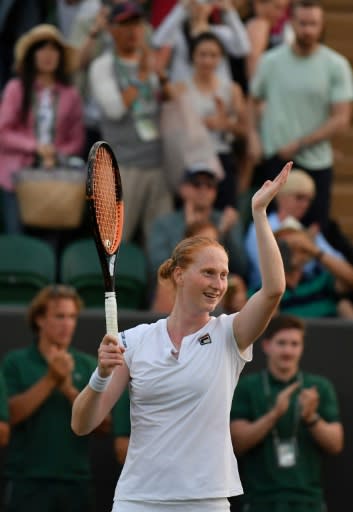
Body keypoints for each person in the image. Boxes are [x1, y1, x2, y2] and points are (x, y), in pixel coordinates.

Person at [71, 161, 293, 512]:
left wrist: (259, 212)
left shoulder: (229, 335)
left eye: (223, 275)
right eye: (208, 273)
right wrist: (100, 375)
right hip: (138, 500)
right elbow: (82, 424)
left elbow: (274, 290)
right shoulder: (134, 340)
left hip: (206, 501)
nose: (218, 284)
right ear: (178, 275)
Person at [0, 285, 111, 512]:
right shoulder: (15, 362)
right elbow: (9, 416)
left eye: (72, 317)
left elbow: (105, 426)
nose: (67, 324)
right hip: (26, 482)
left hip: (76, 483)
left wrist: (69, 390)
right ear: (40, 319)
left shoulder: (89, 364)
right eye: (60, 316)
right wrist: (51, 380)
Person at [248, 0, 353, 231]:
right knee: (273, 233)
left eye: (313, 24)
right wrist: (253, 136)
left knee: (313, 234)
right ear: (291, 23)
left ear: (322, 25)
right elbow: (253, 100)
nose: (307, 30)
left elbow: (341, 118)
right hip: (276, 160)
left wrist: (301, 143)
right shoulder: (271, 61)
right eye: (302, 23)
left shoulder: (336, 65)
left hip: (316, 163)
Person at [230, 313, 344, 512]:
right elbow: (236, 444)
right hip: (260, 501)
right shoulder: (248, 386)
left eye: (294, 344)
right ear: (266, 346)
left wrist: (311, 418)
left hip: (309, 502)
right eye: (281, 343)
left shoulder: (318, 387)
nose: (288, 351)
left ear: (302, 348)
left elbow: (336, 444)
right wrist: (274, 414)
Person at [88, 1, 173, 246]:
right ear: (111, 29)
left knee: (161, 245)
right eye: (125, 24)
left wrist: (163, 78)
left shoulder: (151, 61)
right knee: (115, 243)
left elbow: (166, 103)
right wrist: (142, 76)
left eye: (137, 23)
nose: (133, 30)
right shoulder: (102, 66)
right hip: (122, 168)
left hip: (157, 165)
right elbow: (114, 110)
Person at [0, 23, 85, 235]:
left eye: (54, 48)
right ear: (31, 54)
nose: (48, 55)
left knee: (53, 235)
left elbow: (78, 138)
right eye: (42, 48)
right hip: (16, 176)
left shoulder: (70, 94)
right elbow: (3, 131)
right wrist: (36, 147)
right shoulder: (16, 89)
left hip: (57, 178)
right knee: (16, 236)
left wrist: (57, 153)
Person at [146, 163, 249, 301]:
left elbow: (241, 267)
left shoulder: (225, 220)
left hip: (215, 285)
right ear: (183, 188)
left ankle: (233, 322)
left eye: (210, 185)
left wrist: (225, 234)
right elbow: (159, 267)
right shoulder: (164, 223)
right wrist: (187, 235)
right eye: (197, 184)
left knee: (237, 284)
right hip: (176, 287)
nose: (203, 189)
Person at [171, 31, 248, 212]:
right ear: (193, 57)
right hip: (191, 158)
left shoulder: (231, 89)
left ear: (220, 58)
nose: (207, 61)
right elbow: (173, 129)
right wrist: (201, 123)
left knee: (224, 213)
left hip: (221, 157)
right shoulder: (180, 89)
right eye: (202, 55)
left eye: (213, 55)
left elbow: (244, 129)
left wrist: (226, 124)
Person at [245, 168, 345, 289]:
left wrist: (312, 248)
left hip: (309, 293)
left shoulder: (307, 230)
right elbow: (264, 270)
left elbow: (340, 264)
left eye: (309, 199)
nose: (305, 204)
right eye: (299, 197)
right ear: (281, 196)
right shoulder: (259, 226)